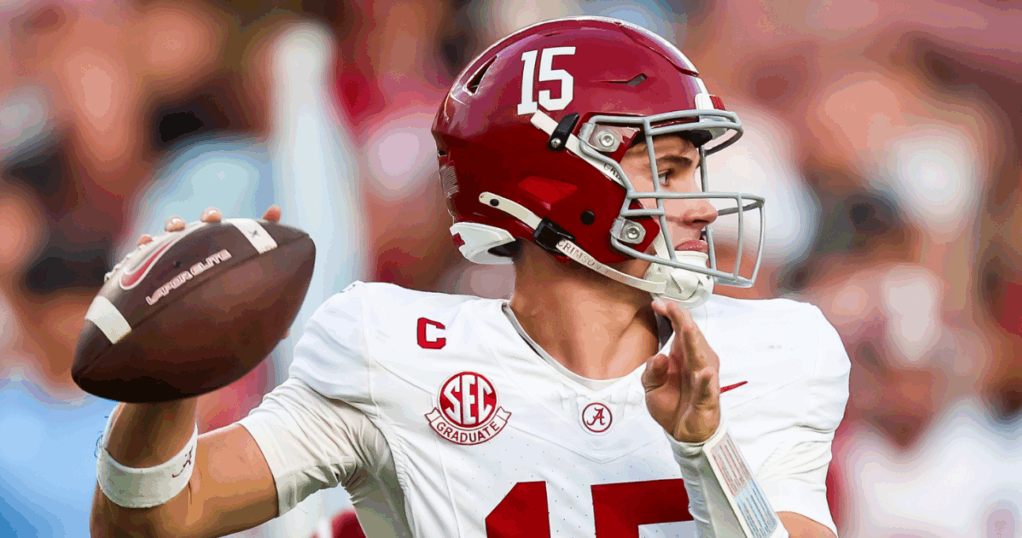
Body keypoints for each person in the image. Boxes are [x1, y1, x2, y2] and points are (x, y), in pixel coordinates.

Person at [90, 17, 849, 538]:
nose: (701, 207)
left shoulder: (775, 353)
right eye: (671, 170)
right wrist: (168, 375)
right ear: (559, 185)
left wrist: (707, 448)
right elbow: (155, 518)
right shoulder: (389, 351)